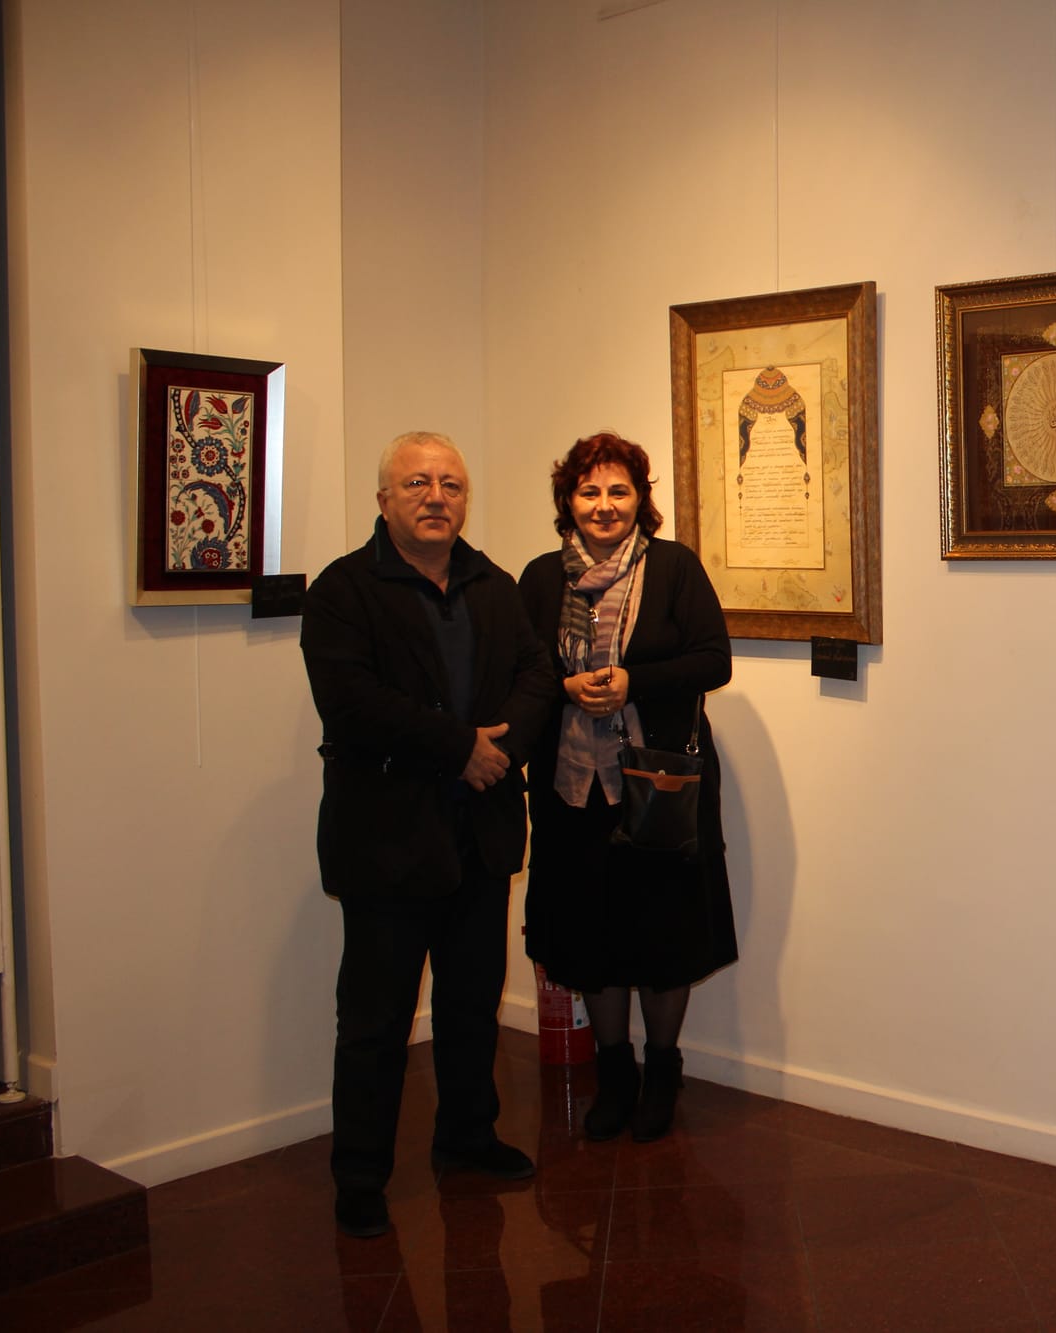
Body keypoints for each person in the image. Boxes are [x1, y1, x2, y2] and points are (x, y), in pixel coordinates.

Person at [301, 431, 560, 1239]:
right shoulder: (343, 590)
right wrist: (461, 748)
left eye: (451, 483)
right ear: (384, 500)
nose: (436, 496)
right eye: (417, 483)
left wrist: (501, 748)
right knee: (375, 1022)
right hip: (386, 840)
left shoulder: (492, 584)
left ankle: (468, 1135)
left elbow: (537, 675)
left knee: (472, 1004)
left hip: (480, 834)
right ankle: (359, 1176)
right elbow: (351, 702)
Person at [518, 431, 738, 1143]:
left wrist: (632, 681)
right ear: (568, 501)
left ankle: (663, 1071)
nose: (605, 505)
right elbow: (521, 673)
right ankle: (614, 1074)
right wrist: (565, 687)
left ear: (642, 499)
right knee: (590, 935)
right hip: (571, 792)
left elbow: (714, 660)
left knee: (663, 932)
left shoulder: (674, 568)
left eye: (620, 490)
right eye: (590, 491)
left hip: (656, 788)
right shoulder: (540, 578)